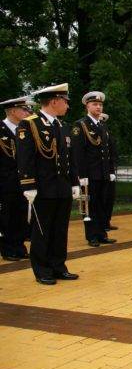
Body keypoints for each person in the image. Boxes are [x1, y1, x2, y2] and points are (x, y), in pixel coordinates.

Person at [16, 83, 80, 284]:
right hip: (43, 187)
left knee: (60, 230)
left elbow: (69, 157)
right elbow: (25, 158)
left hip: (62, 186)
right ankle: (42, 270)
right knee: (42, 231)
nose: (67, 106)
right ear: (54, 101)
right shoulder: (30, 124)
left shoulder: (62, 126)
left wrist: (74, 182)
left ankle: (58, 266)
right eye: (65, 102)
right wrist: (28, 185)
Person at [71, 91, 117, 247]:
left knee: (102, 205)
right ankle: (92, 236)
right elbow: (78, 153)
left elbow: (107, 151)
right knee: (90, 206)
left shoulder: (102, 125)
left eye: (100, 104)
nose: (98, 107)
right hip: (90, 174)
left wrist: (110, 171)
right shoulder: (81, 125)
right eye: (95, 104)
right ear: (87, 106)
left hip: (103, 173)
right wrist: (81, 175)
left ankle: (102, 234)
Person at [0, 96, 33, 261]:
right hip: (5, 182)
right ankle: (8, 249)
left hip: (22, 180)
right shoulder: (1, 129)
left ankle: (19, 247)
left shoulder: (24, 129)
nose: (27, 112)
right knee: (7, 216)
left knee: (21, 215)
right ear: (13, 111)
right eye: (23, 109)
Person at [99, 113, 119, 230]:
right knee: (101, 199)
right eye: (100, 120)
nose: (101, 123)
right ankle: (101, 223)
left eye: (103, 121)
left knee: (110, 197)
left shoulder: (108, 135)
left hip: (109, 170)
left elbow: (112, 153)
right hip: (98, 171)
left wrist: (112, 170)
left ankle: (106, 221)